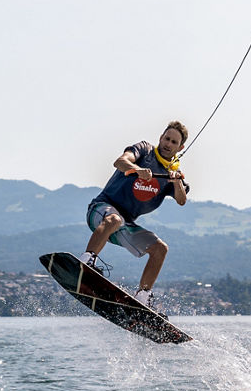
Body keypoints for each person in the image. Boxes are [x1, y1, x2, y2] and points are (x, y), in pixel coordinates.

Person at [80, 121, 190, 309]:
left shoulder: (172, 173)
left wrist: (177, 182)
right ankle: (87, 261)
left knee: (160, 249)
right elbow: (120, 162)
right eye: (166, 138)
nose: (168, 144)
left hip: (124, 224)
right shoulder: (144, 150)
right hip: (101, 210)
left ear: (180, 147)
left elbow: (181, 200)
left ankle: (142, 297)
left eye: (173, 142)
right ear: (160, 137)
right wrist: (138, 170)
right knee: (114, 219)